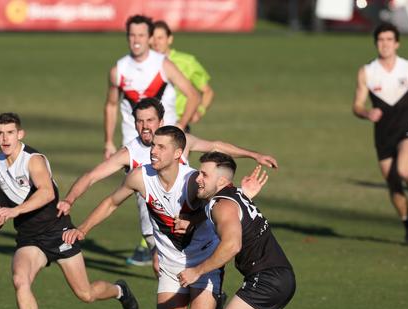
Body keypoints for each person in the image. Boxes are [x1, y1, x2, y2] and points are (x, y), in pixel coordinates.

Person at [62, 127, 266, 309]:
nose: (153, 152)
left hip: (204, 264)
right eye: (153, 146)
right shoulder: (139, 177)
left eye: (161, 147)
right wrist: (83, 229)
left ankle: (214, 303)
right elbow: (111, 202)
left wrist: (194, 221)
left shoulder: (193, 181)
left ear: (178, 153)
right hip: (170, 266)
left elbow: (222, 204)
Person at [0, 112, 139, 309]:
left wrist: (15, 211)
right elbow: (6, 192)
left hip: (58, 232)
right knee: (19, 279)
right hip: (28, 237)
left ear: (20, 134)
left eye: (10, 133)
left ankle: (119, 290)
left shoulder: (32, 160)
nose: (5, 138)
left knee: (85, 294)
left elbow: (47, 193)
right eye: (0, 133)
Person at [58, 98, 278, 266]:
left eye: (150, 120)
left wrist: (253, 155)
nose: (144, 126)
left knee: (178, 268)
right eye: (139, 121)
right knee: (161, 267)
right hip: (155, 226)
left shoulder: (178, 139)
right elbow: (92, 177)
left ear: (161, 121)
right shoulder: (129, 153)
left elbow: (215, 146)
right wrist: (69, 199)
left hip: (193, 220)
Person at [178, 152, 296, 309]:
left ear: (222, 180)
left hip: (265, 279)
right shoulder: (235, 195)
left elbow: (232, 245)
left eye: (204, 174)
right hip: (284, 278)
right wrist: (193, 222)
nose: (197, 178)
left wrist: (197, 271)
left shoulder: (222, 205)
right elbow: (233, 214)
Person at [104, 14, 201, 265]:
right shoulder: (119, 69)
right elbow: (111, 106)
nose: (136, 40)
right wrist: (108, 142)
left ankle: (189, 252)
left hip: (168, 145)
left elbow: (193, 95)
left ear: (149, 38)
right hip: (134, 147)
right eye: (131, 35)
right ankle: (158, 251)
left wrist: (179, 127)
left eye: (140, 35)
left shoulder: (163, 64)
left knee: (182, 194)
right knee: (143, 198)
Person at [352, 22, 408, 246]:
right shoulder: (367, 72)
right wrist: (367, 112)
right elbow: (357, 106)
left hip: (407, 126)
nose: (385, 44)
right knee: (393, 185)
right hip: (383, 135)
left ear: (397, 43)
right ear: (376, 44)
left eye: (389, 40)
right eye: (381, 40)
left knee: (404, 170)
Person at [151, 20, 214, 128]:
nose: (156, 42)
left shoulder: (187, 62)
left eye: (160, 38)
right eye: (153, 38)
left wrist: (199, 111)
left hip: (177, 124)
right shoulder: (143, 63)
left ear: (169, 39)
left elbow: (208, 92)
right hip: (149, 124)